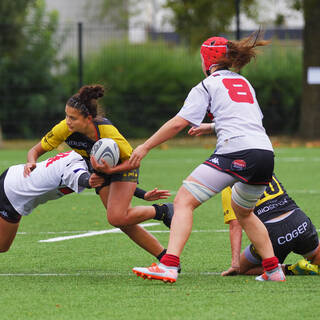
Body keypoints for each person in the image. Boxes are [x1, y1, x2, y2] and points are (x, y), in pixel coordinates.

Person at [130, 31, 285, 282]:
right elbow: (249, 120)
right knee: (243, 211)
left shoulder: (207, 84)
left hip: (237, 151)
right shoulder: (244, 83)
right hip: (265, 153)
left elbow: (178, 123)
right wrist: (211, 127)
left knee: (183, 201)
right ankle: (273, 269)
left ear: (207, 61)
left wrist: (145, 146)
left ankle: (168, 264)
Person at [24, 84, 174, 263]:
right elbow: (35, 150)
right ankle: (165, 258)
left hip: (124, 166)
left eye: (73, 117)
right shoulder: (64, 128)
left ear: (88, 118)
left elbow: (133, 160)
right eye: (66, 115)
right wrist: (31, 161)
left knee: (116, 217)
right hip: (101, 171)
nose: (67, 121)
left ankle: (163, 211)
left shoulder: (107, 132)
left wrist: (111, 171)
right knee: (121, 221)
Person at [0, 150, 104, 252]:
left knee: (3, 247)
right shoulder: (75, 166)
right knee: (2, 246)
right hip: (13, 191)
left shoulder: (79, 152)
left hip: (15, 177)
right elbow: (83, 178)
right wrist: (89, 180)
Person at [221, 178, 320, 277]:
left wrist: (235, 264)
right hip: (300, 222)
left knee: (243, 269)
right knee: (316, 257)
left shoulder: (229, 184)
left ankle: (289, 269)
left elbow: (235, 225)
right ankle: (309, 265)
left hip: (273, 234)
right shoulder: (265, 168)